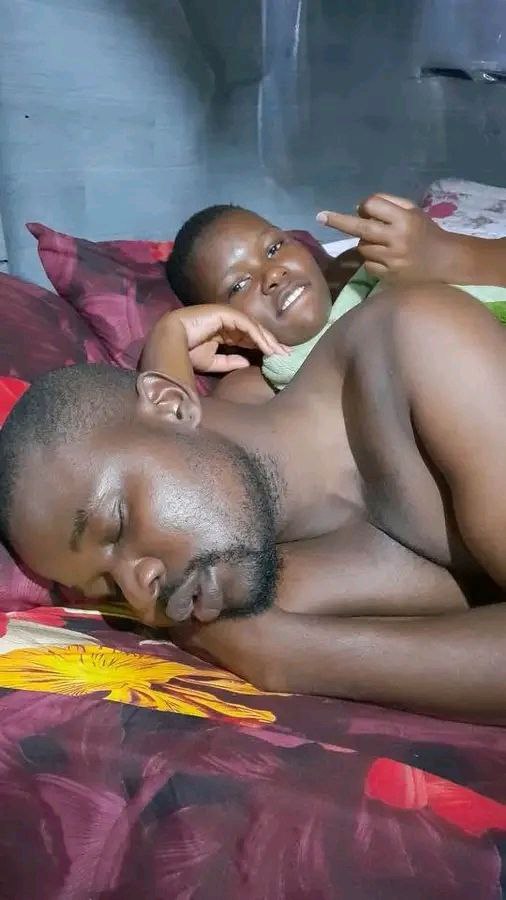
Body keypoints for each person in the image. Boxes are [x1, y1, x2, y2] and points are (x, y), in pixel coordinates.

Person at [2, 280, 506, 724]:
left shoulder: (419, 346)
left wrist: (291, 657)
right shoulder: (255, 574)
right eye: (110, 585)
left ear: (172, 404)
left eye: (116, 524)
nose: (139, 594)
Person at [151, 195, 506, 402]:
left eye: (274, 248)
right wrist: (172, 335)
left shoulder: (358, 264)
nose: (273, 274)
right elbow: (184, 452)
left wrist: (446, 253)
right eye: (239, 285)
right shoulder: (253, 387)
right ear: (223, 327)